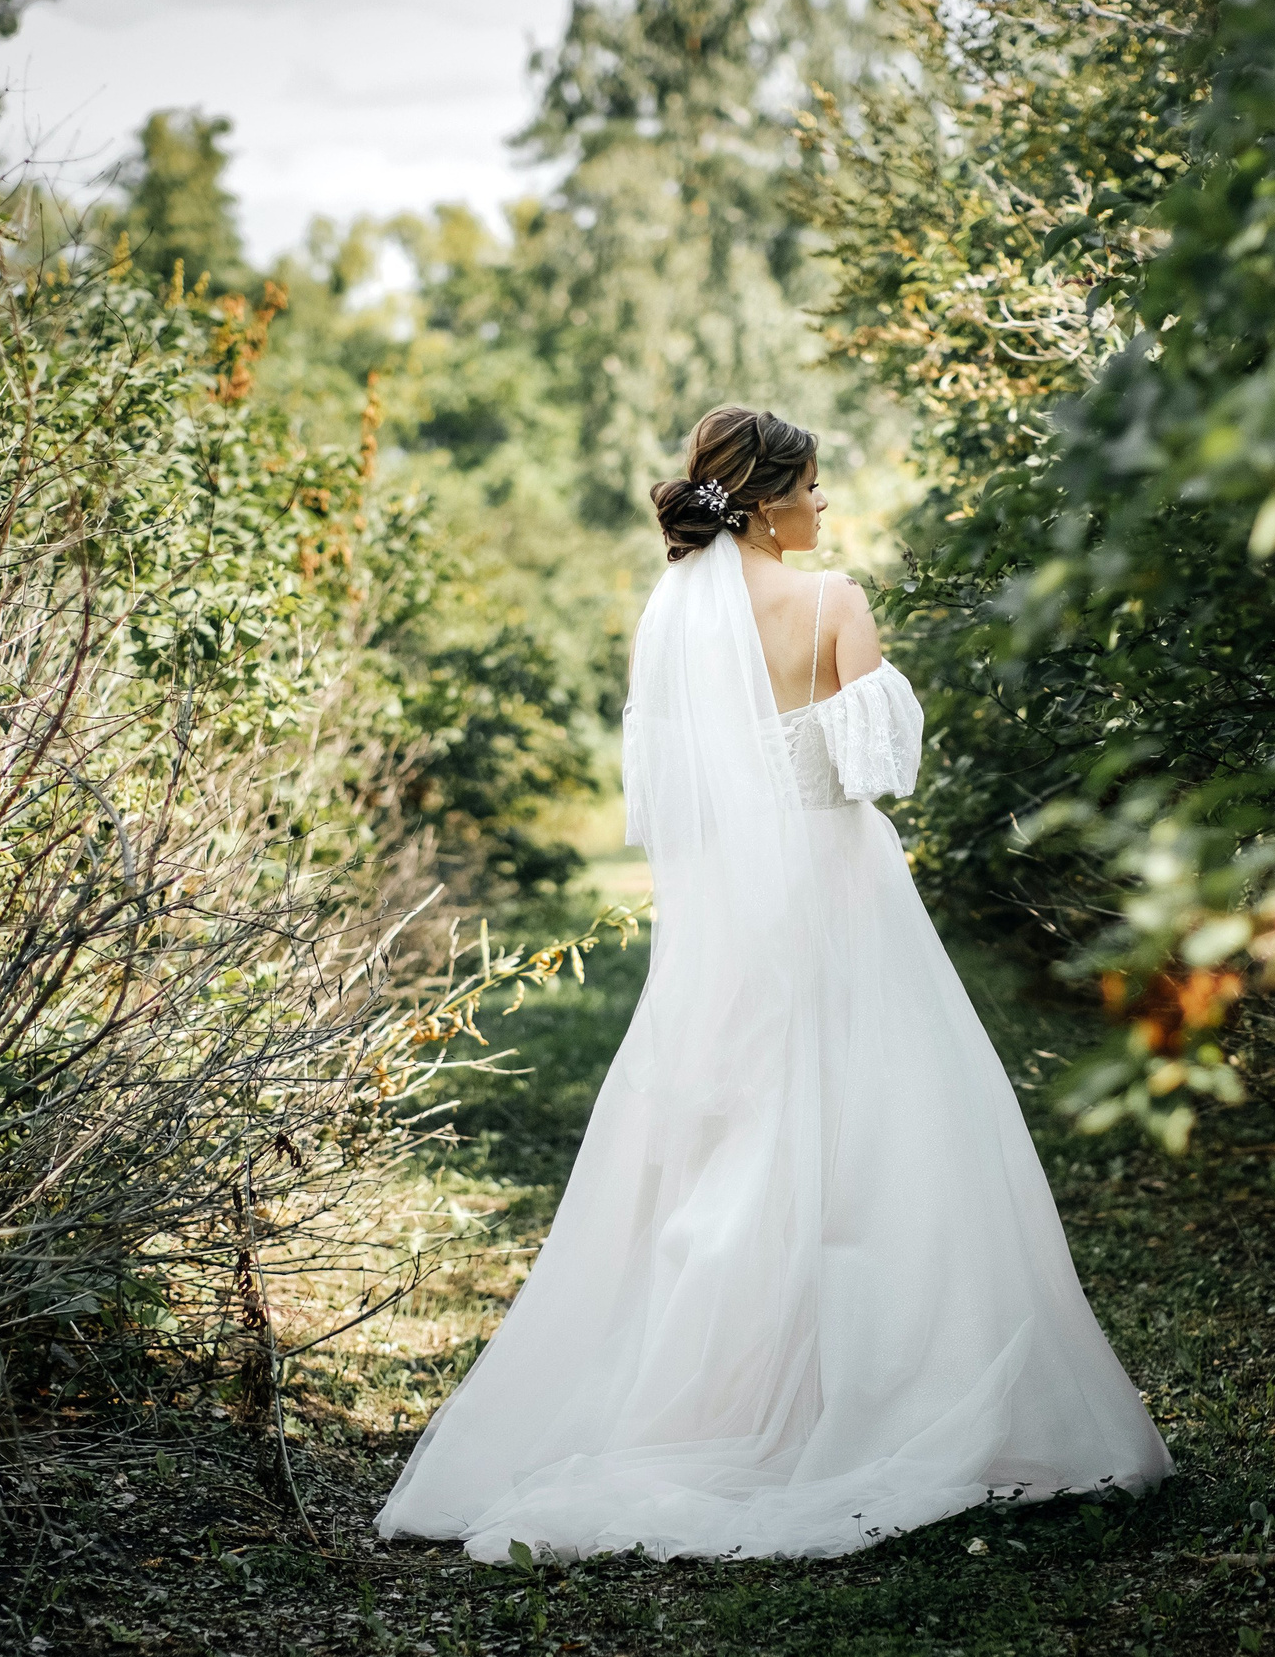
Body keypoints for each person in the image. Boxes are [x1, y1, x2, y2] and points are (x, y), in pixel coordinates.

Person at [374, 406, 1171, 1562]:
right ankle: (878, 1397)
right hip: (841, 894)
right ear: (764, 499)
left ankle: (723, 1399)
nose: (823, 506)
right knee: (881, 1131)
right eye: (811, 486)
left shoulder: (667, 617)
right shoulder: (833, 602)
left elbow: (666, 801)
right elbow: (877, 771)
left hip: (726, 917)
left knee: (733, 1142)